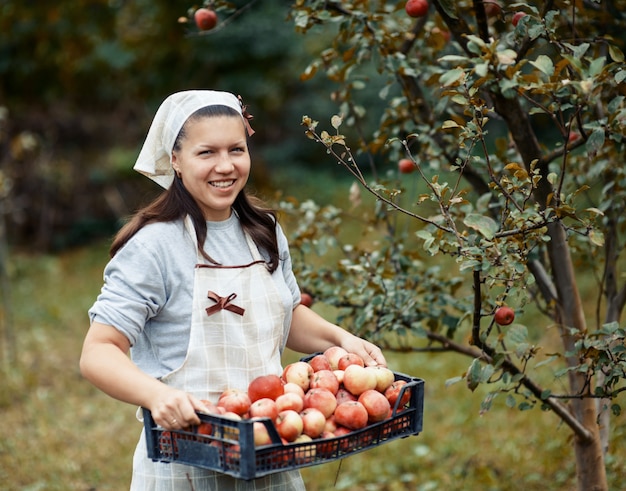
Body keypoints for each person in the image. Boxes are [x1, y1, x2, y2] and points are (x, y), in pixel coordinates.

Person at [79, 89, 387, 490]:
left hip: (269, 452)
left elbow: (284, 314)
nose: (225, 166)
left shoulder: (264, 231)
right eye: (206, 153)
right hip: (187, 461)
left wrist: (340, 339)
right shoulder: (153, 246)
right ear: (175, 159)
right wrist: (157, 397)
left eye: (236, 150)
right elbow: (98, 351)